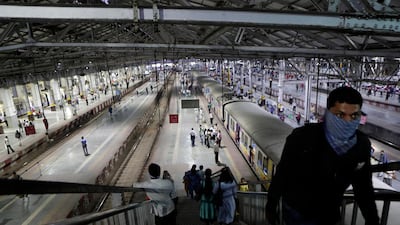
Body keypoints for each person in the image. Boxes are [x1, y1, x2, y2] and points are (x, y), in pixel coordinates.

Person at [266, 86, 380, 225]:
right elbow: (283, 172)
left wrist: (372, 219)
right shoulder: (302, 137)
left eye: (354, 116)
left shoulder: (361, 145)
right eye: (340, 115)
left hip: (329, 214)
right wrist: (271, 205)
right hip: (297, 211)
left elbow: (363, 186)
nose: (348, 122)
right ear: (328, 113)